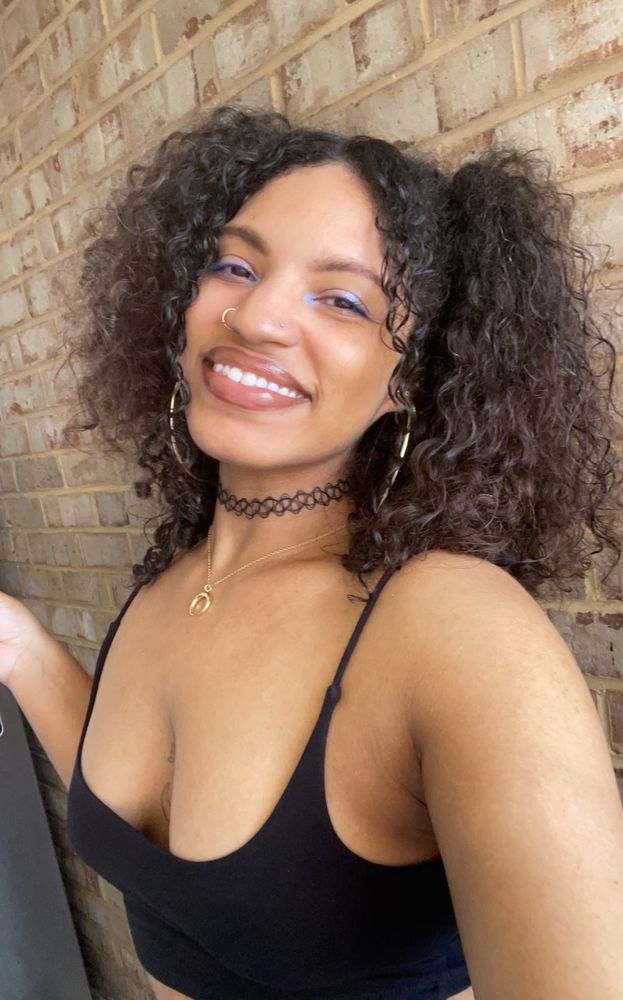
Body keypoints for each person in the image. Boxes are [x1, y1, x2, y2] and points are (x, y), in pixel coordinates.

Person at [1, 103, 622, 1000]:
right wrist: (16, 647)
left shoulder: (452, 627)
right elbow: (159, 855)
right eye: (232, 263)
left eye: (340, 299)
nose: (254, 314)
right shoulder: (170, 588)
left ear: (408, 379)